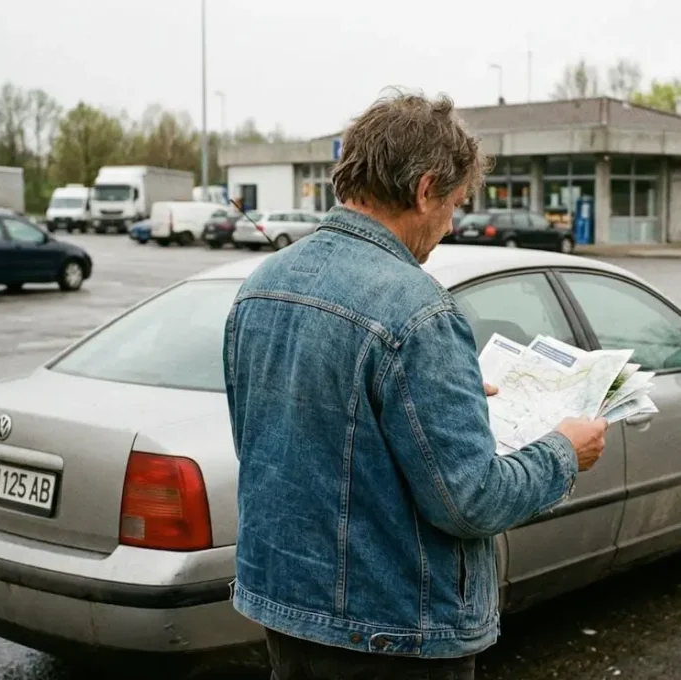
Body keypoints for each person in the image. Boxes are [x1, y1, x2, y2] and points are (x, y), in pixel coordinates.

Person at [222, 91, 609, 680]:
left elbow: (288, 442)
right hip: (393, 633)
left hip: (286, 611)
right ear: (425, 189)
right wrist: (564, 452)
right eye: (453, 205)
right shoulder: (418, 312)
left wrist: (432, 402)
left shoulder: (261, 285)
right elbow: (472, 501)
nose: (450, 226)